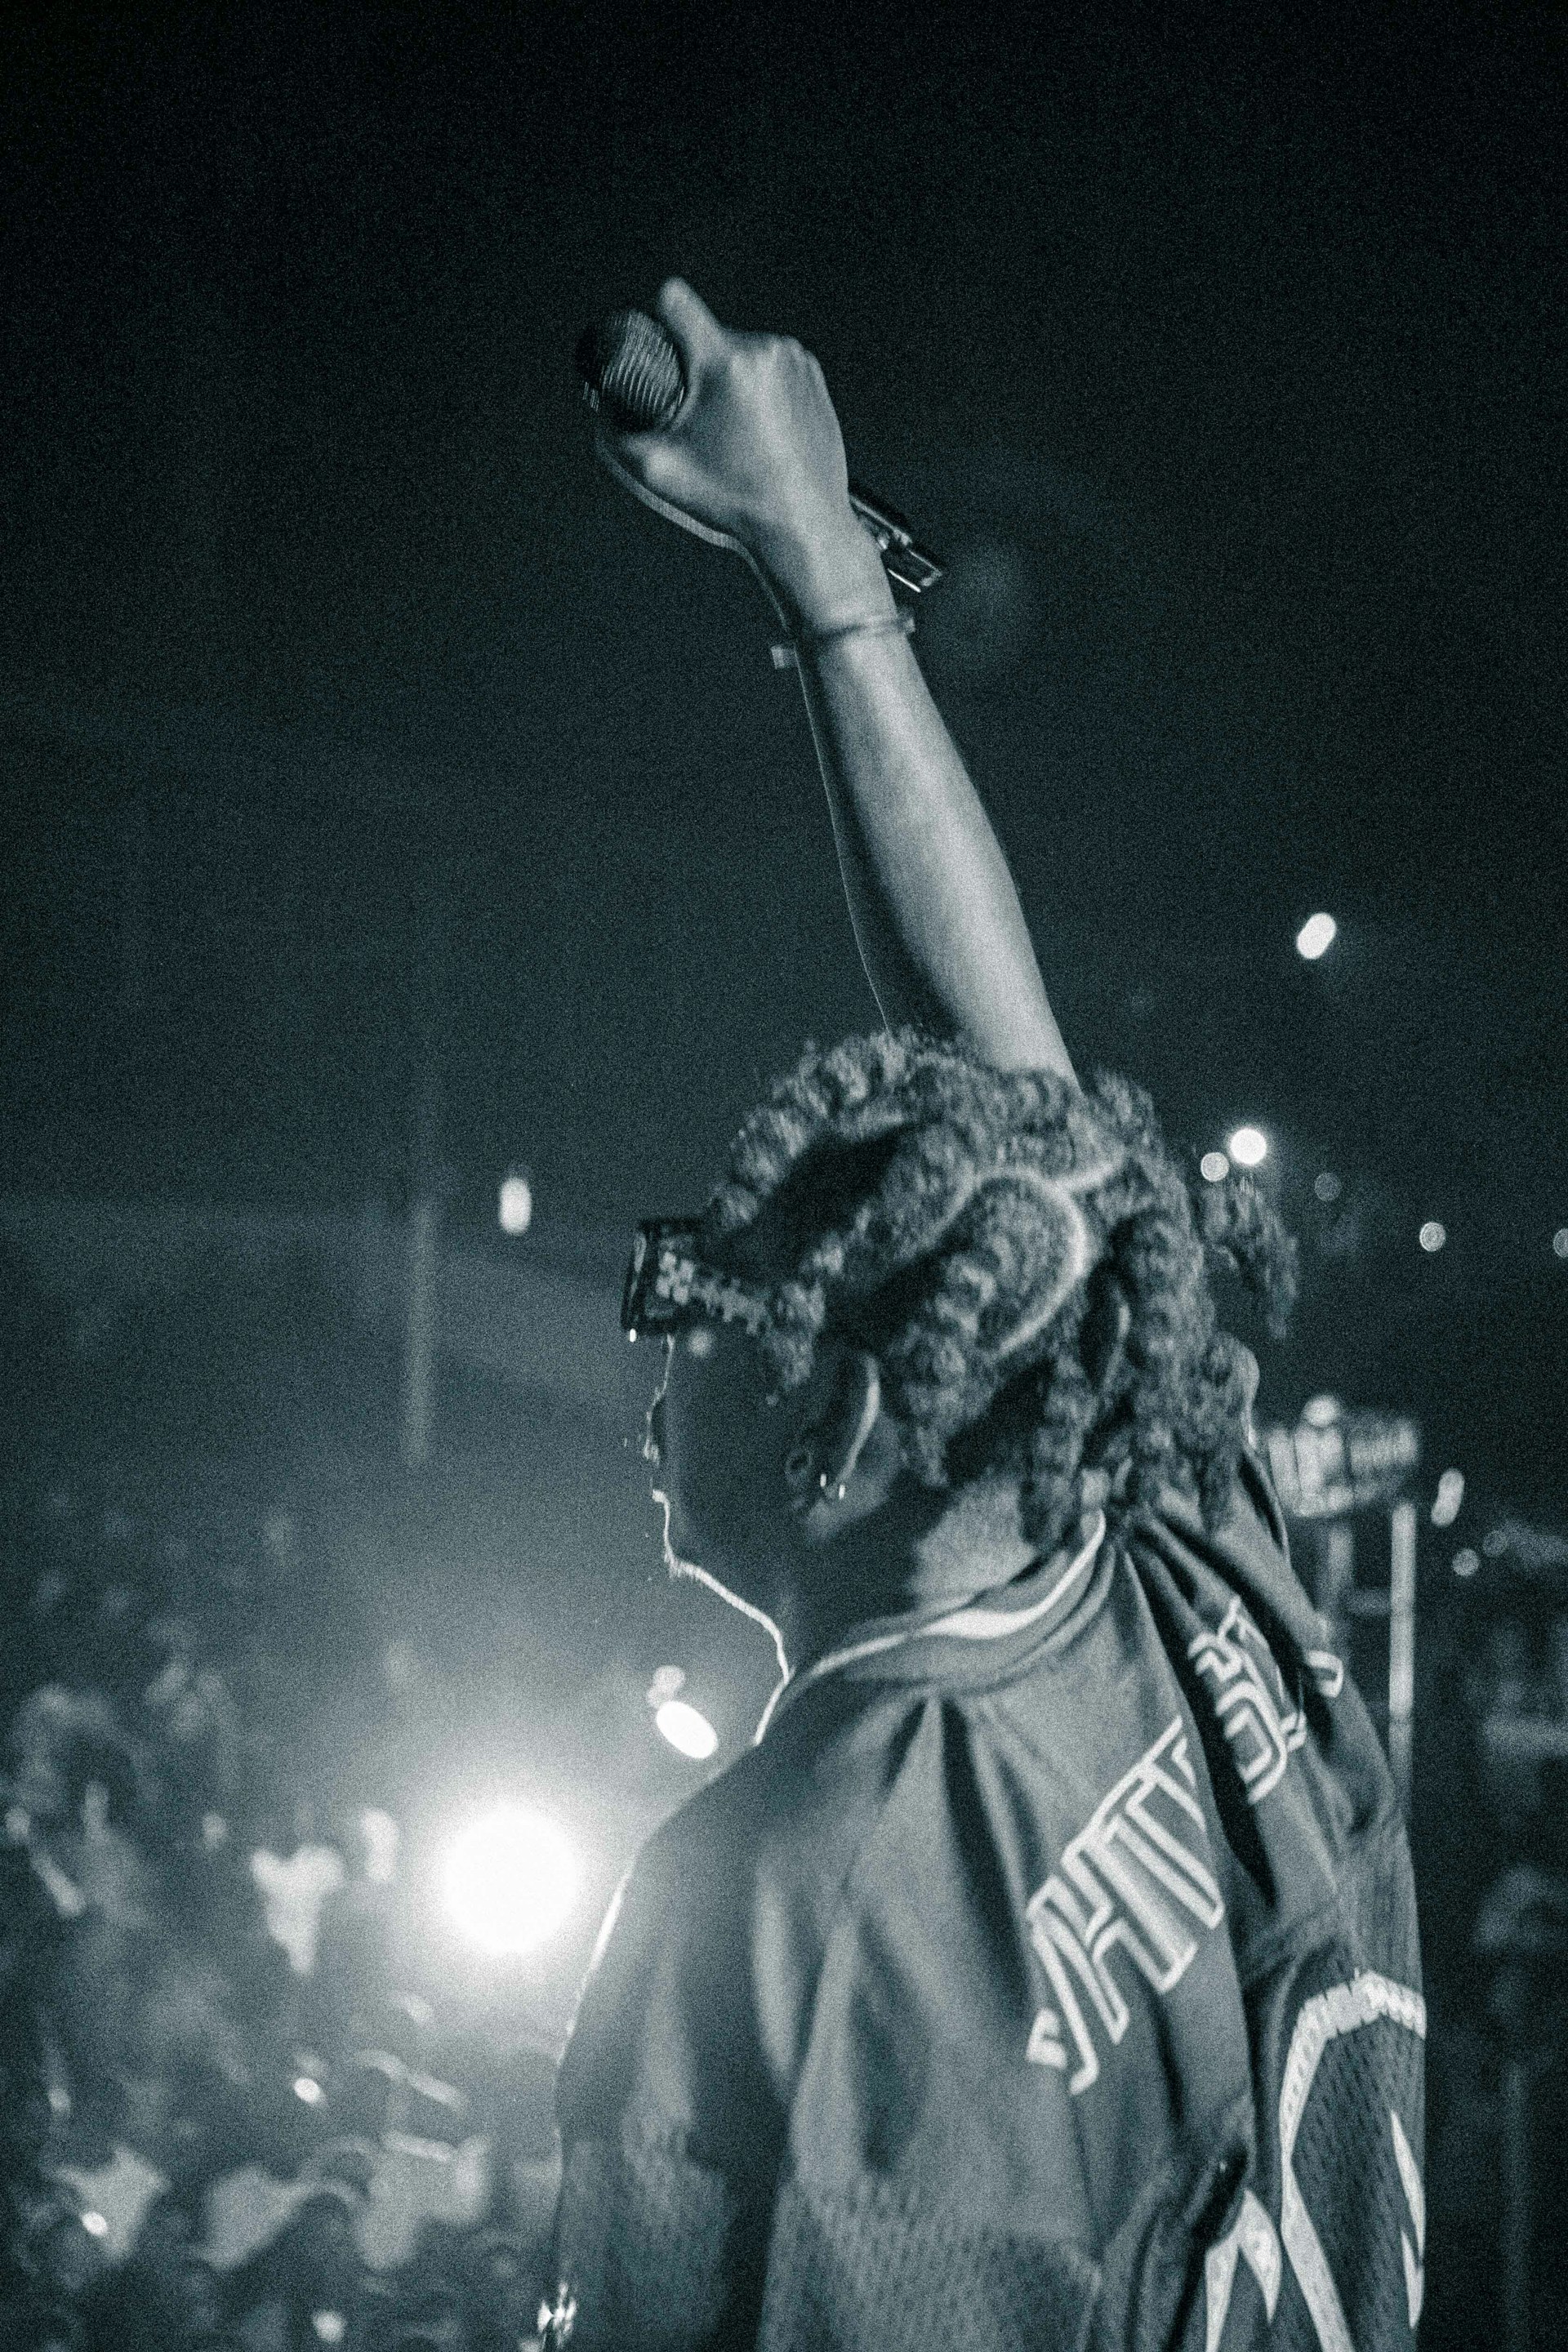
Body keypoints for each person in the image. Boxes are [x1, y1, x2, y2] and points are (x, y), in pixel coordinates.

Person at [544, 282, 1424, 2350]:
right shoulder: (1188, 1574)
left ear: (844, 1430)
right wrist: (829, 581)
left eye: (706, 1287)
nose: (654, 1331)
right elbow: (1022, 1100)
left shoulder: (786, 1913)